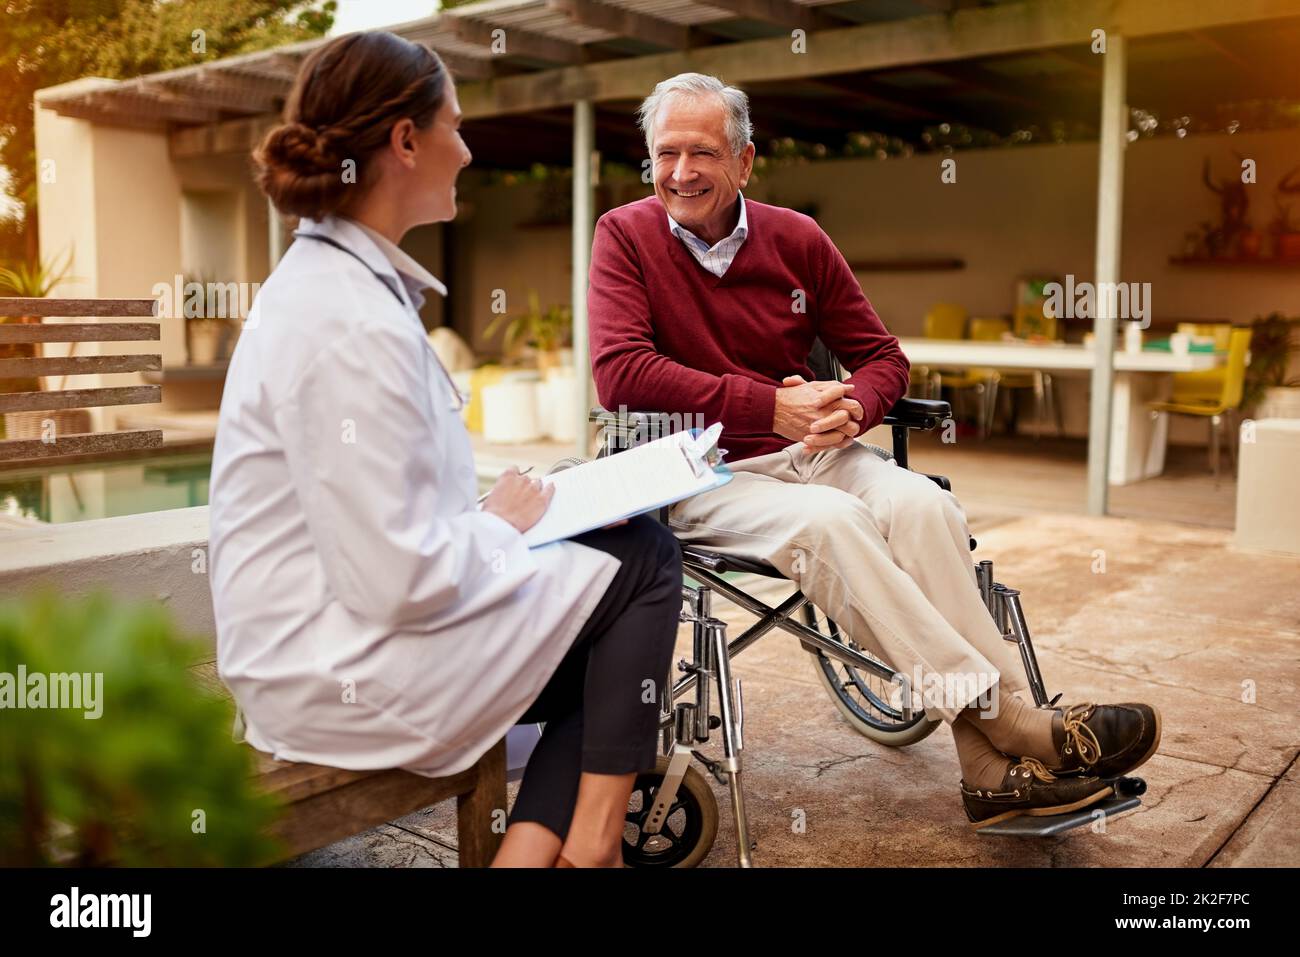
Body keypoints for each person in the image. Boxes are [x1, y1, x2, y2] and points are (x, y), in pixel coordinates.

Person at [587, 72, 1161, 829]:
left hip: (818, 455)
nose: (682, 172)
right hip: (698, 469)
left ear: (745, 161)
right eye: (666, 154)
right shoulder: (623, 236)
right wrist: (768, 404)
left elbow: (884, 357)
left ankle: (987, 770)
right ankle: (1012, 721)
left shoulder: (797, 239)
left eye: (703, 152)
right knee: (833, 524)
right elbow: (619, 371)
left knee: (924, 504)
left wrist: (855, 406)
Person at [209, 31, 682, 866]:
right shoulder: (343, 319)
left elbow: (386, 517)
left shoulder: (341, 289)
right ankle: (591, 851)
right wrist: (499, 524)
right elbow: (399, 578)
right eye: (455, 128)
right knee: (641, 557)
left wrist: (508, 517)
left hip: (333, 643)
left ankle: (541, 856)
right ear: (403, 141)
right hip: (338, 672)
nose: (466, 151)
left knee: (609, 622)